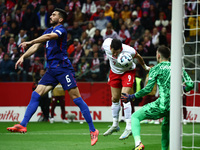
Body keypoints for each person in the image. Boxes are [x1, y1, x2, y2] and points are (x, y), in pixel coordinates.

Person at [7, 8, 99, 146]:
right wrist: (23, 56)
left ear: (60, 19)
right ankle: (23, 124)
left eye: (54, 14)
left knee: (77, 99)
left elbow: (48, 38)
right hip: (51, 70)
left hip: (63, 69)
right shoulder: (47, 31)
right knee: (36, 94)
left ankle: (93, 130)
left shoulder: (61, 30)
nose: (51, 16)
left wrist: (30, 41)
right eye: (51, 14)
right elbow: (37, 45)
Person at [121, 45, 194, 150]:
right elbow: (191, 85)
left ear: (158, 55)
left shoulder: (155, 69)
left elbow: (147, 89)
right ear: (169, 56)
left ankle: (138, 144)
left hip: (162, 104)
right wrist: (181, 89)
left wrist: (132, 96)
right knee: (165, 128)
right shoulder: (178, 67)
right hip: (174, 106)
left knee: (135, 117)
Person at [102, 38, 150, 140]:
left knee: (124, 97)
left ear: (121, 49)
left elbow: (139, 57)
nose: (114, 54)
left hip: (128, 72)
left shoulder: (129, 50)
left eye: (117, 52)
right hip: (114, 72)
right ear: (110, 48)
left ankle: (129, 126)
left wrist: (145, 67)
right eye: (113, 52)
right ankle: (115, 124)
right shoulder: (106, 44)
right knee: (114, 98)